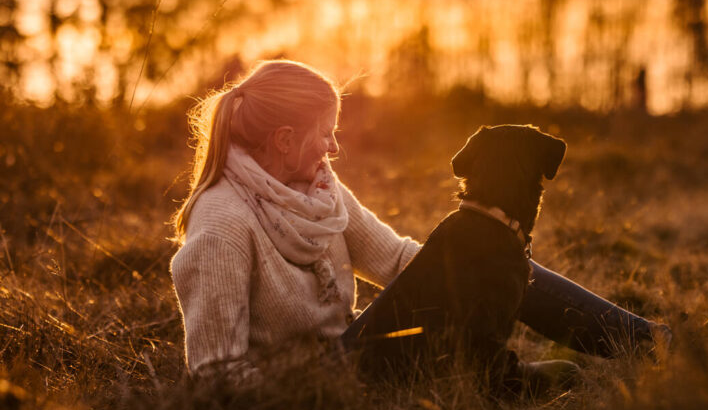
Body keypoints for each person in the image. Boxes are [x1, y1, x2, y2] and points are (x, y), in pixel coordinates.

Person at [170, 59, 669, 388]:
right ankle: (501, 377)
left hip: (353, 358)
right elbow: (216, 375)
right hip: (311, 383)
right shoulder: (222, 226)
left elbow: (396, 261)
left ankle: (657, 344)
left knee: (484, 250)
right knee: (480, 254)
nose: (334, 148)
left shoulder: (319, 190)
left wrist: (484, 269)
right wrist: (314, 399)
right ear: (282, 139)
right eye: (325, 134)